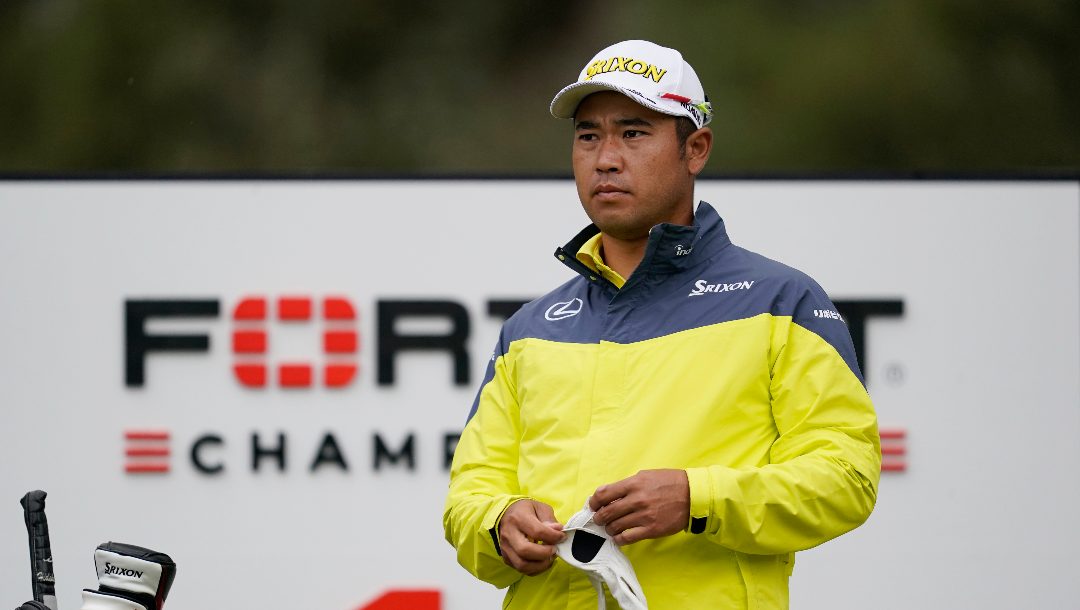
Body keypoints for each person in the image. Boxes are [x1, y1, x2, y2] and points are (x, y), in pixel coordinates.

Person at [443, 39, 880, 609]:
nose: (605, 158)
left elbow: (846, 477)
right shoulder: (530, 328)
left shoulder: (780, 301)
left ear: (695, 150)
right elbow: (470, 494)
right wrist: (498, 525)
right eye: (587, 135)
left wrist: (699, 499)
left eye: (633, 132)